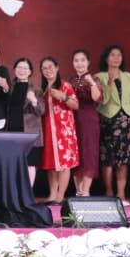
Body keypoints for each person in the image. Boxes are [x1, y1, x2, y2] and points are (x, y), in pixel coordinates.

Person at [96, 44, 130, 201]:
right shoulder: (99, 77)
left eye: (119, 55)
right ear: (106, 59)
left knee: (123, 159)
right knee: (107, 158)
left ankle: (121, 193)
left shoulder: (128, 77)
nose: (116, 58)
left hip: (125, 121)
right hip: (107, 121)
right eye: (112, 55)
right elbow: (101, 100)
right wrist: (109, 83)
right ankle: (109, 191)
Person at [39, 56, 79, 206]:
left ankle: (60, 196)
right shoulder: (42, 89)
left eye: (50, 67)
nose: (47, 70)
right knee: (50, 163)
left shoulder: (65, 85)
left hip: (63, 130)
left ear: (57, 68)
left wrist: (63, 97)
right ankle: (52, 194)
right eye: (44, 68)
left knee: (63, 164)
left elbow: (76, 105)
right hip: (48, 130)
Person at [4, 57, 45, 188]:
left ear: (30, 71)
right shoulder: (9, 87)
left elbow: (41, 111)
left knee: (30, 163)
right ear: (14, 70)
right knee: (12, 162)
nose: (22, 70)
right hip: (11, 130)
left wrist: (34, 101)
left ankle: (27, 192)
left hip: (29, 132)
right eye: (19, 67)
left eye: (25, 68)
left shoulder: (35, 88)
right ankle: (13, 192)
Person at [69, 49, 103, 197]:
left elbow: (97, 98)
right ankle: (78, 190)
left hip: (89, 120)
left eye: (82, 60)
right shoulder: (71, 81)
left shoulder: (94, 79)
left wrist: (91, 83)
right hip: (72, 120)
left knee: (88, 153)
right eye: (76, 60)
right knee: (76, 154)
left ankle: (86, 191)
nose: (79, 63)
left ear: (88, 62)